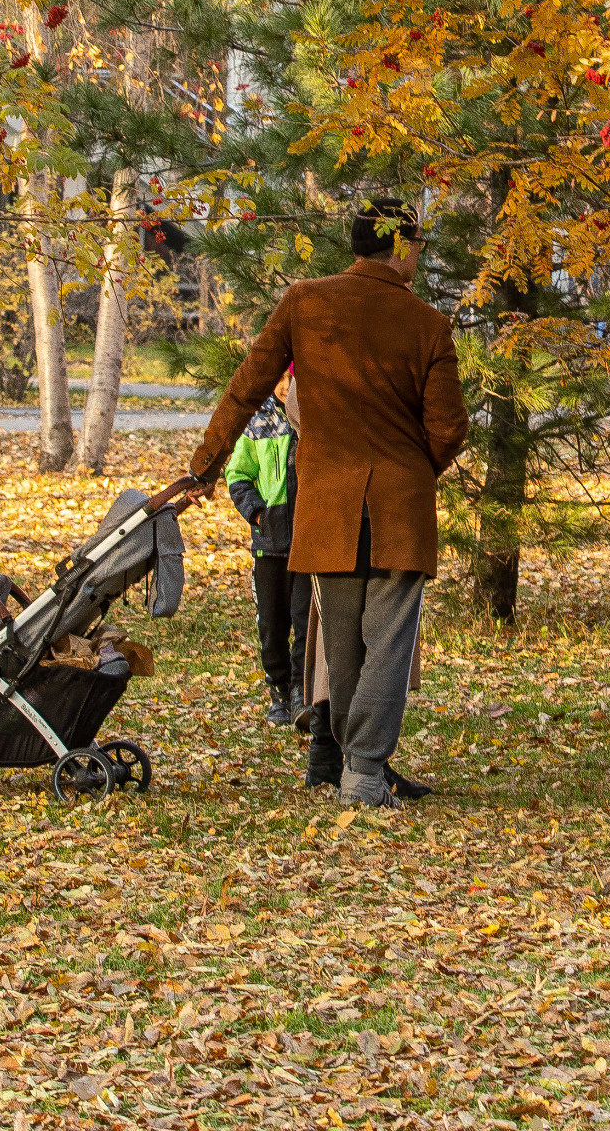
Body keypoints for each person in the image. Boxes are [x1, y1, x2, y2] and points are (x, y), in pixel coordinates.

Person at [189, 196, 467, 809]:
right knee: (388, 640)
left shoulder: (304, 301)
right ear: (399, 246)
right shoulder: (427, 324)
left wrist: (206, 465)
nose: (418, 256)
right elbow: (449, 428)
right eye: (417, 245)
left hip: (329, 506)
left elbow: (247, 387)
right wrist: (414, 469)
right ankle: (365, 771)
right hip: (400, 506)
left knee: (342, 642)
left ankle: (350, 763)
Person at [224, 369, 306, 726]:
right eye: (282, 381)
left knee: (305, 622)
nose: (287, 388)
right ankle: (279, 691)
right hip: (268, 544)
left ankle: (302, 691)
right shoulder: (257, 421)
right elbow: (238, 475)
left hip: (307, 543)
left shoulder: (311, 422)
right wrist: (257, 513)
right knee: (272, 624)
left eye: (294, 381)